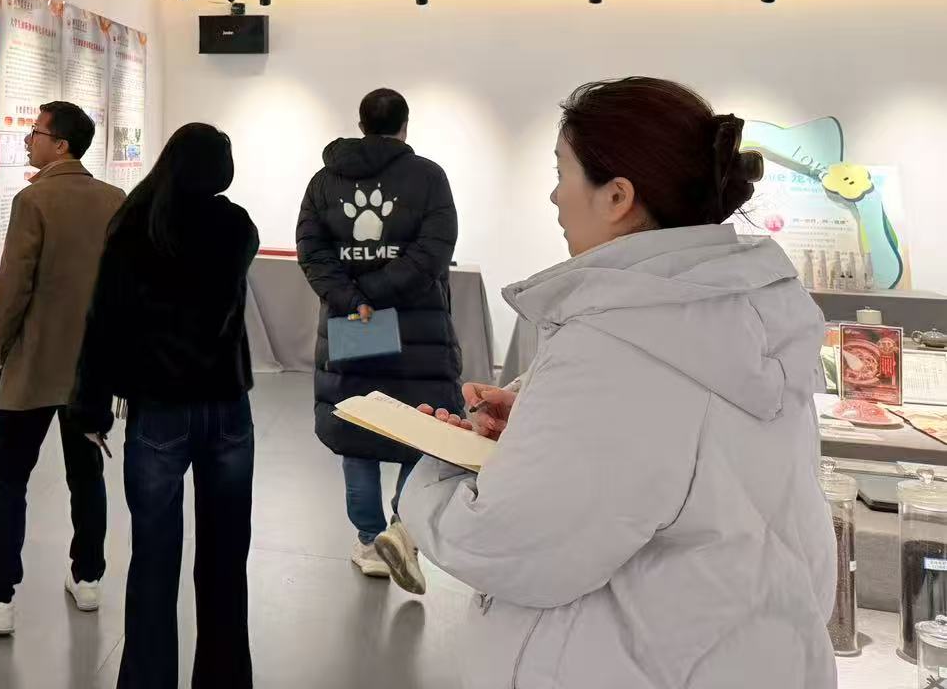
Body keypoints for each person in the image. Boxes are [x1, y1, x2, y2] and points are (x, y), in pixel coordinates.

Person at [401, 77, 834, 688]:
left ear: (617, 196)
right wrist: (542, 418)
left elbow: (511, 542)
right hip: (747, 652)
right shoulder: (750, 316)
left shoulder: (619, 341)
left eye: (562, 171)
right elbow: (687, 456)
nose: (554, 195)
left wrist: (439, 471)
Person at [72, 123, 260, 689]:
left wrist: (92, 408)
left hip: (158, 411)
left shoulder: (136, 225)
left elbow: (104, 322)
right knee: (225, 559)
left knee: (153, 559)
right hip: (227, 407)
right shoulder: (236, 227)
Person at [0, 101, 126, 636]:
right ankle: (89, 577)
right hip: (89, 370)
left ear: (61, 144)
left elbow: (14, 286)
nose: (28, 139)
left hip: (32, 365)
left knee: (9, 481)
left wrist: (0, 346)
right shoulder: (114, 200)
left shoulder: (32, 200)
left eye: (36, 132)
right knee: (87, 475)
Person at [295, 87, 459, 593]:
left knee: (358, 427)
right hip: (416, 327)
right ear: (404, 125)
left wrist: (355, 298)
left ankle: (369, 542)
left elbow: (312, 250)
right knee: (419, 428)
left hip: (355, 322)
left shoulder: (325, 181)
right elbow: (434, 251)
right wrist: (381, 291)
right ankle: (403, 531)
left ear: (361, 124)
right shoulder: (429, 177)